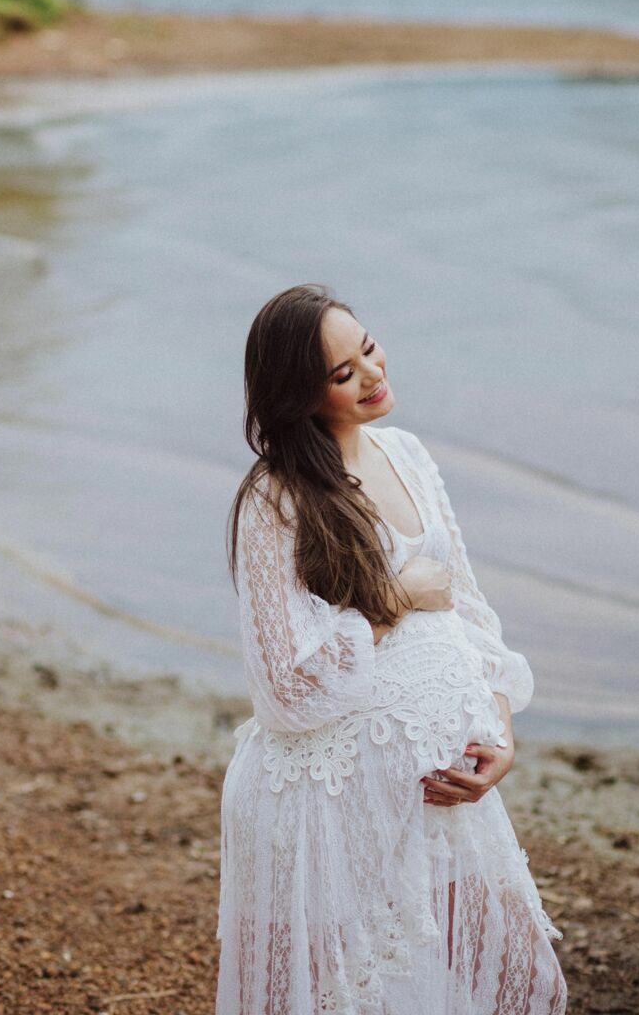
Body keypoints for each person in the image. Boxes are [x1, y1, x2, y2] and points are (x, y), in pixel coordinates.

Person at [215, 283, 566, 1015]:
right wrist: (394, 596)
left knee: (516, 978)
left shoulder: (404, 453)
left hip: (437, 783)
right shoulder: (275, 501)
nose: (372, 374)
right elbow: (285, 691)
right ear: (299, 397)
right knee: (361, 997)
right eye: (342, 374)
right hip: (328, 803)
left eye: (367, 348)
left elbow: (468, 611)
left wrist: (497, 729)